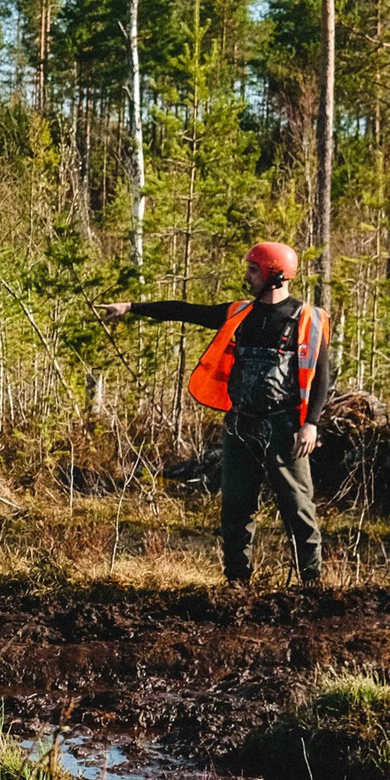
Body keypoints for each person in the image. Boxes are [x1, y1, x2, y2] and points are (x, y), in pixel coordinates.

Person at [99, 240, 331, 586]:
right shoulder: (239, 313)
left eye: (254, 269)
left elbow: (322, 375)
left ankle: (311, 583)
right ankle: (237, 582)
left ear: (276, 274)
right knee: (236, 507)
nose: (248, 275)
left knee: (297, 507)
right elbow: (185, 310)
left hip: (285, 429)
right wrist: (131, 307)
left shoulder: (308, 319)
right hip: (240, 426)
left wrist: (310, 424)